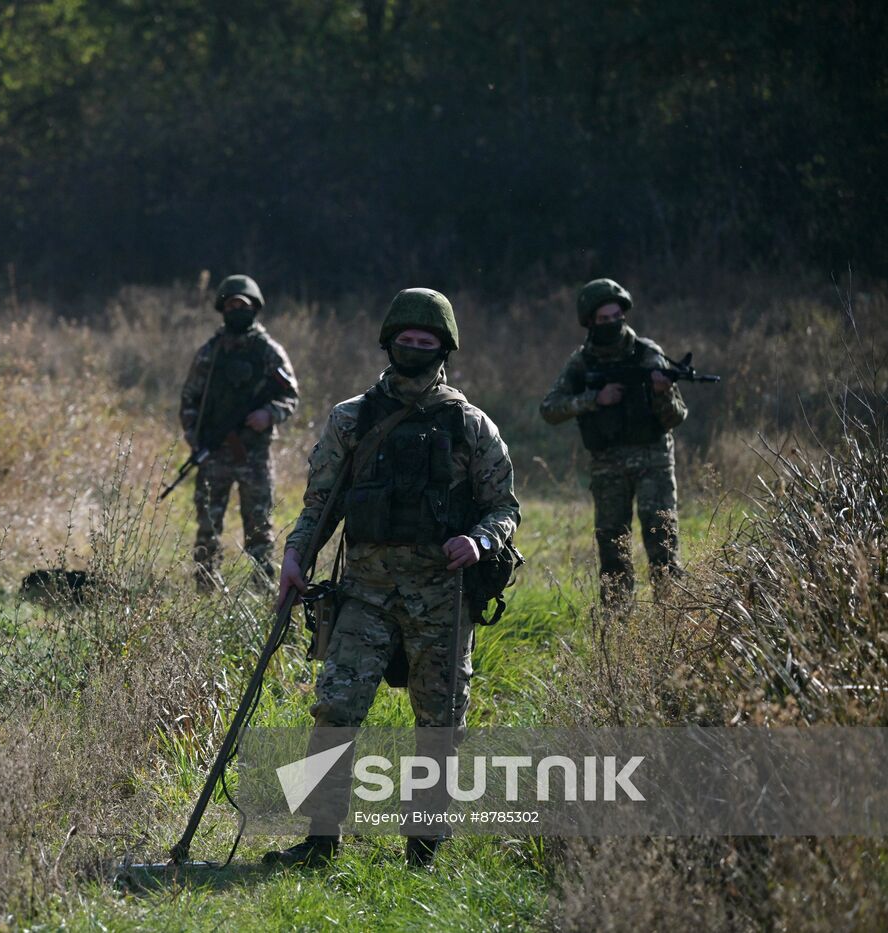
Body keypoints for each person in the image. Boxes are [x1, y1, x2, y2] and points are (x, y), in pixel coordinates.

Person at [266, 288, 520, 868]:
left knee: (439, 722)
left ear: (444, 350)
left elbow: (505, 507)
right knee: (335, 709)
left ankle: (424, 853)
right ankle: (319, 841)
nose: (413, 348)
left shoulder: (471, 426)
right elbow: (320, 506)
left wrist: (479, 541)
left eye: (424, 342)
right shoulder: (351, 420)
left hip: (442, 595)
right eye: (404, 340)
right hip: (366, 593)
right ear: (388, 344)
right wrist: (295, 557)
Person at [539, 278, 686, 609]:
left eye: (616, 316)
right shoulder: (581, 363)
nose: (612, 324)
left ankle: (673, 618)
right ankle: (618, 625)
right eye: (603, 319)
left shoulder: (649, 355)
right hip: (608, 466)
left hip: (654, 461)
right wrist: (594, 399)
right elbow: (549, 409)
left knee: (662, 540)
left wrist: (662, 394)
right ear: (590, 322)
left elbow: (677, 416)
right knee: (612, 548)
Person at [178, 274, 298, 591]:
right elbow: (190, 398)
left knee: (259, 524)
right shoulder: (210, 352)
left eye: (242, 305)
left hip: (254, 453)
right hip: (214, 452)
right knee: (207, 524)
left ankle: (263, 585)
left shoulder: (269, 351)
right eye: (231, 305)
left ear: (254, 308)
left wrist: (268, 414)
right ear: (222, 308)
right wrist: (194, 435)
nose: (236, 310)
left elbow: (290, 395)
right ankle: (206, 584)